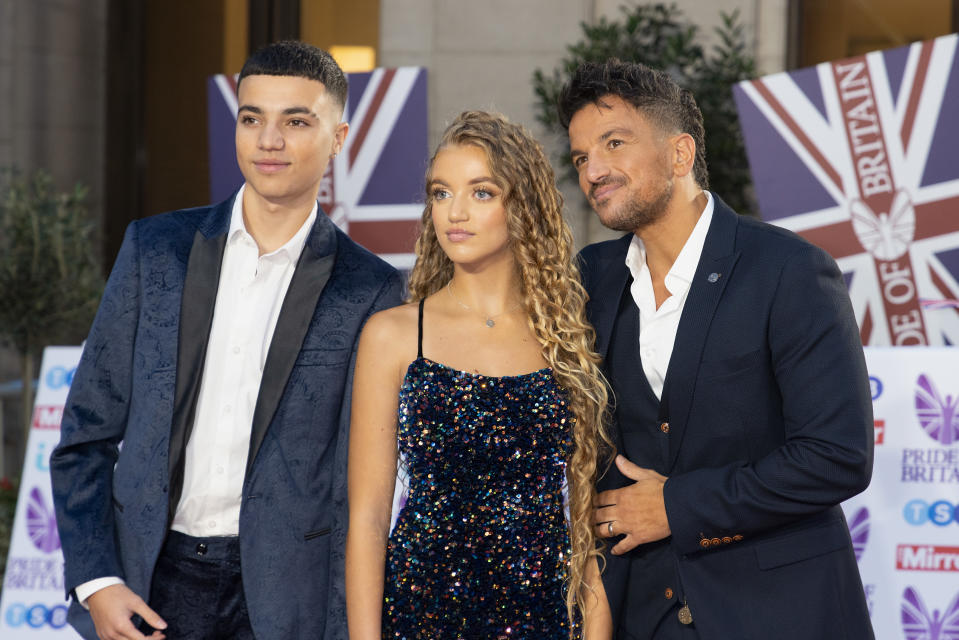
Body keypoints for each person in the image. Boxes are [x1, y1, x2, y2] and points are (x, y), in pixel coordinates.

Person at [50, 40, 403, 640]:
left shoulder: (369, 288)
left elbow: (359, 494)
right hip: (150, 586)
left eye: (295, 121)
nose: (269, 141)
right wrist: (97, 580)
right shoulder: (154, 250)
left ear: (339, 139)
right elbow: (86, 433)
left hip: (287, 600)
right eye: (251, 118)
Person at [559, 59, 875, 639]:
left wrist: (678, 506)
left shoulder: (789, 270)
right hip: (639, 615)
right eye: (582, 157)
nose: (593, 170)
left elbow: (836, 456)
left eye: (614, 143)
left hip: (778, 613)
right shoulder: (590, 279)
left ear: (680, 154)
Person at [345, 110, 613, 638]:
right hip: (420, 614)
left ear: (524, 206)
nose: (455, 212)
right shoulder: (393, 335)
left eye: (481, 192)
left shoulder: (566, 337)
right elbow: (368, 522)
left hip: (544, 616)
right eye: (441, 193)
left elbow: (582, 524)